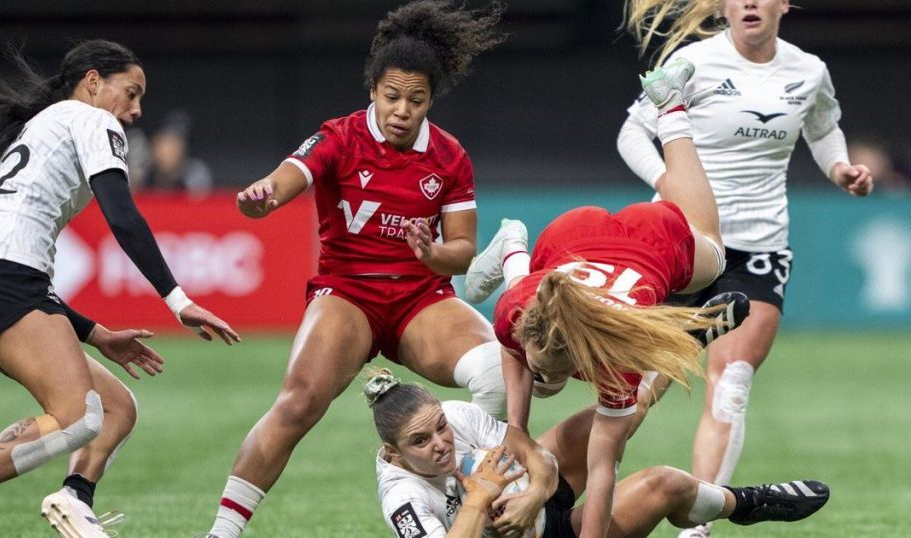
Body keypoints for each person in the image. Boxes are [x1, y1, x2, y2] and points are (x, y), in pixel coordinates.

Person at [0, 39, 239, 538]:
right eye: (132, 91)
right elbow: (123, 217)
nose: (137, 110)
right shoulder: (92, 119)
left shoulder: (45, 125)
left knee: (117, 409)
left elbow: (20, 271)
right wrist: (178, 299)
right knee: (79, 417)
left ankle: (74, 498)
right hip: (1, 279)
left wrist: (96, 333)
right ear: (93, 82)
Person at [201, 2, 507, 536]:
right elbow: (288, 176)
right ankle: (221, 534)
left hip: (421, 300)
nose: (402, 111)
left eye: (416, 100)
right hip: (348, 295)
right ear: (373, 90)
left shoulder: (450, 157)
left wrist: (433, 255)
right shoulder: (339, 137)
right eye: (392, 97)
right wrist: (263, 199)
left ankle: (475, 505)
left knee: (497, 374)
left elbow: (461, 249)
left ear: (431, 99)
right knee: (298, 403)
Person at [463, 57, 751, 537]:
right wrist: (516, 425)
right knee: (522, 288)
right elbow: (515, 355)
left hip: (645, 241)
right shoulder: (519, 312)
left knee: (714, 257)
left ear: (581, 354)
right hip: (571, 240)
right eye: (541, 369)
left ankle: (672, 107)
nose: (547, 379)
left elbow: (603, 471)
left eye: (557, 371)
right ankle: (514, 242)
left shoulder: (614, 357)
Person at [617, 3, 874, 535]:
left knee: (731, 380)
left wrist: (840, 168)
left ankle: (696, 527)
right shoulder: (694, 63)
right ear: (725, 7)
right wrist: (669, 184)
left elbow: (823, 127)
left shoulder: (807, 70)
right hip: (685, 244)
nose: (751, 2)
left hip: (759, 249)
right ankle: (588, 496)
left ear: (783, 4)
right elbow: (631, 135)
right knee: (642, 386)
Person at [366, 369, 831, 538]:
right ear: (395, 453)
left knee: (616, 412)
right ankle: (747, 504)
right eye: (421, 443)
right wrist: (476, 499)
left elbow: (533, 457)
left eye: (440, 430)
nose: (441, 444)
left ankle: (682, 337)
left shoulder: (455, 413)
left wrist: (531, 497)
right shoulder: (401, 497)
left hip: (539, 498)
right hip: (554, 535)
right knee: (665, 483)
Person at [140, 109, 214, 196]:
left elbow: (199, 205)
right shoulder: (143, 174)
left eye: (173, 146)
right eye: (163, 144)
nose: (167, 152)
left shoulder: (195, 173)